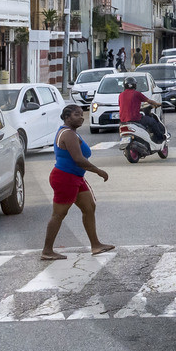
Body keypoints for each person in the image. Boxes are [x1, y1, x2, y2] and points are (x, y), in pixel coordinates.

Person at [42, 103, 115, 260]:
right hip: (65, 178)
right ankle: (47, 251)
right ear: (67, 117)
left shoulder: (72, 132)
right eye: (77, 115)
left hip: (75, 177)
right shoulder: (68, 134)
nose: (81, 118)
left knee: (89, 207)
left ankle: (95, 245)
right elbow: (78, 159)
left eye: (82, 114)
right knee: (59, 214)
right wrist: (98, 171)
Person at [118, 78, 167, 146]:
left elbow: (124, 106)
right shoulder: (137, 93)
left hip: (123, 121)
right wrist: (158, 104)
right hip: (135, 119)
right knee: (152, 121)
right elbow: (149, 101)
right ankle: (160, 139)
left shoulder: (121, 95)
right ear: (135, 85)